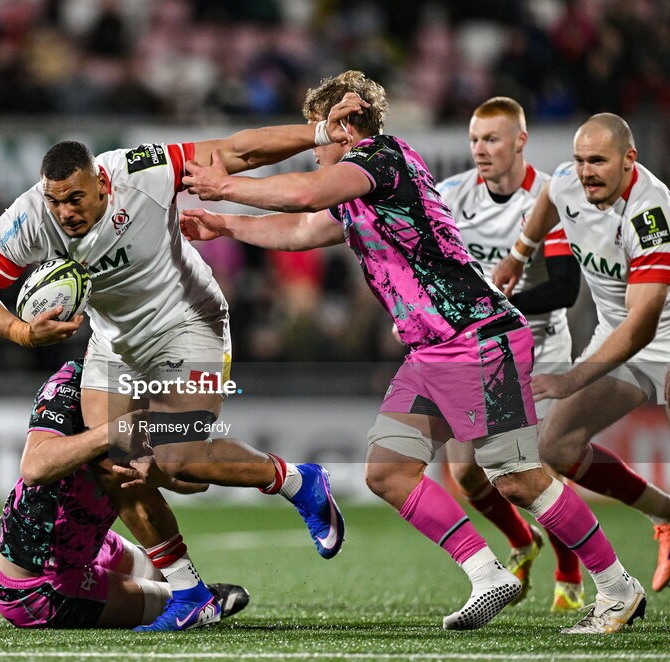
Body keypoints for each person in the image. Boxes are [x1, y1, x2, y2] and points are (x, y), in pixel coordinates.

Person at [179, 70, 645, 634]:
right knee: (389, 472)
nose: (312, 142)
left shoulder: (383, 157)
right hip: (433, 350)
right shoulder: (358, 192)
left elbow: (304, 193)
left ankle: (618, 587)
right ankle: (486, 573)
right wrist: (225, 225)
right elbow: (303, 227)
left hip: (479, 336)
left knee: (517, 475)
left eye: (318, 131)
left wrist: (225, 186)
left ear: (346, 125)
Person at [0, 118, 359, 628]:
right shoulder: (29, 218)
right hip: (115, 344)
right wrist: (21, 332)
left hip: (193, 320)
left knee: (179, 456)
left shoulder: (141, 171)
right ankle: (190, 593)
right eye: (56, 202)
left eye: (75, 198)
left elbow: (237, 151)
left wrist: (319, 133)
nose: (65, 213)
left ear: (101, 183)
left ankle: (299, 481)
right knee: (116, 463)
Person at [494, 112, 670, 595]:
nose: (587, 171)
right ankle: (667, 516)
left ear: (630, 160)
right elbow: (551, 196)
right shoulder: (570, 182)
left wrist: (571, 379)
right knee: (558, 447)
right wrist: (520, 251)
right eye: (580, 160)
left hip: (657, 333)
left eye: (599, 161)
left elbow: (644, 324)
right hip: (621, 334)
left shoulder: (650, 214)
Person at [436, 96, 584, 612]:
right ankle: (522, 540)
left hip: (541, 347)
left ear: (520, 141)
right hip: (480, 350)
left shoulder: (550, 196)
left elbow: (565, 288)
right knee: (465, 471)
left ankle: (569, 570)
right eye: (474, 139)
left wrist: (495, 304)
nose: (480, 149)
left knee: (539, 467)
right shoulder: (451, 196)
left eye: (492, 139)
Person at [0, 358, 250, 629]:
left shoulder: (167, 392)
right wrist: (112, 433)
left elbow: (197, 479)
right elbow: (34, 467)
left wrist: (163, 475)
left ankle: (192, 595)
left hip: (93, 544)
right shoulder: (75, 380)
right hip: (38, 584)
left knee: (190, 588)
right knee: (201, 603)